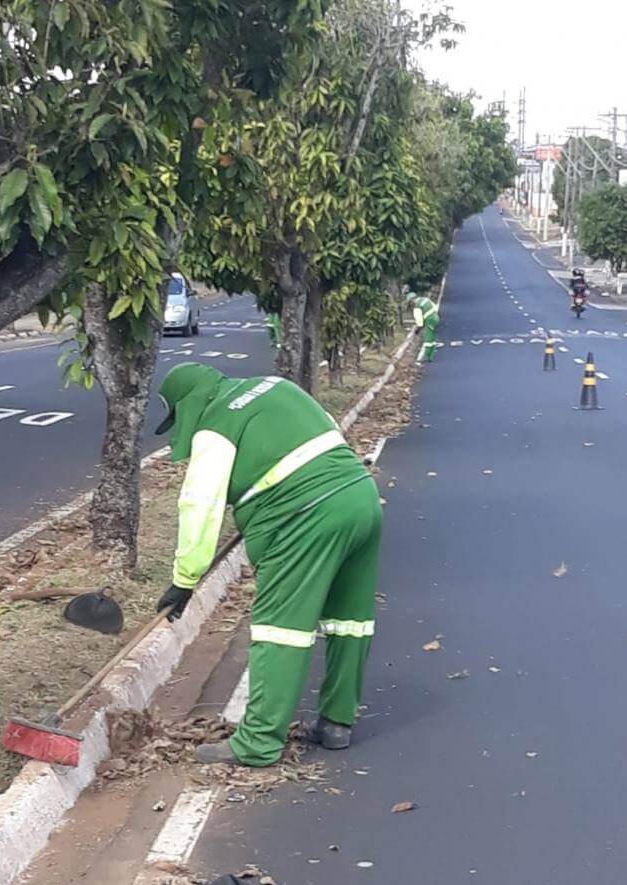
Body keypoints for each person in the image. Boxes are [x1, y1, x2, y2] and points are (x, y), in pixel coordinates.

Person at [154, 362, 382, 767]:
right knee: (350, 621)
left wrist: (184, 581)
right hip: (360, 498)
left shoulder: (217, 422)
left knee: (280, 629)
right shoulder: (276, 386)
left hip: (306, 517)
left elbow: (200, 505)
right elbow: (319, 440)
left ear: (187, 404)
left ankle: (258, 743)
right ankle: (336, 724)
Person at [407, 291, 440, 362]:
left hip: (430, 321)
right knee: (432, 337)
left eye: (410, 303)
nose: (410, 304)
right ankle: (431, 354)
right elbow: (435, 308)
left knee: (428, 339)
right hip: (436, 318)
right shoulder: (425, 299)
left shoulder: (417, 307)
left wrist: (417, 331)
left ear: (412, 300)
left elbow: (420, 323)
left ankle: (427, 357)